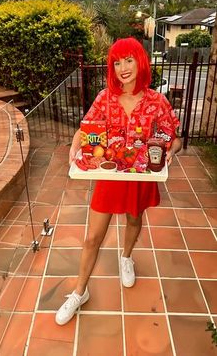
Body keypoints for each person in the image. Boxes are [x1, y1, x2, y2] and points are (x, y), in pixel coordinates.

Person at [55, 37, 182, 326]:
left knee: (134, 220)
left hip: (140, 175)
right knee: (92, 237)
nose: (122, 68)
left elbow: (173, 137)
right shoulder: (105, 98)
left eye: (128, 60)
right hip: (109, 174)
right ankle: (79, 291)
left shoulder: (156, 101)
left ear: (140, 62)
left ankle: (126, 257)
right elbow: (85, 129)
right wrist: (74, 148)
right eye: (116, 62)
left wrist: (170, 152)